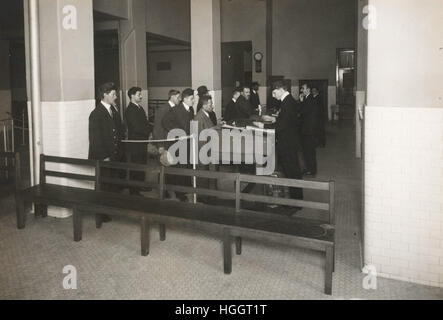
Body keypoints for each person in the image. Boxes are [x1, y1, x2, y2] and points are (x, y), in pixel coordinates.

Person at [88, 82, 124, 223]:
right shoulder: (96, 114)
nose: (115, 97)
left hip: (114, 155)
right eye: (113, 94)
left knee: (112, 184)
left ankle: (109, 209)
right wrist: (105, 157)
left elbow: (118, 131)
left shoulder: (113, 111)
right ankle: (101, 212)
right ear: (105, 95)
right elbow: (95, 140)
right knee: (103, 184)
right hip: (104, 157)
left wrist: (119, 153)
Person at [271, 81, 303, 210]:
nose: (273, 96)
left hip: (287, 143)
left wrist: (267, 127)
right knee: (291, 171)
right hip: (290, 142)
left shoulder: (287, 102)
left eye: (274, 92)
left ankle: (296, 204)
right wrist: (276, 120)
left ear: (280, 89)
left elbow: (283, 125)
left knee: (292, 172)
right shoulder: (288, 101)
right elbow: (286, 120)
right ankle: (296, 201)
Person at [162, 88, 196, 202]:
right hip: (177, 144)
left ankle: (183, 190)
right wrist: (177, 134)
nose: (194, 100)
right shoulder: (176, 109)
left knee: (184, 167)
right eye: (192, 98)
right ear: (185, 99)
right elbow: (165, 122)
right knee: (178, 169)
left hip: (186, 144)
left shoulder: (190, 111)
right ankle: (179, 194)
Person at [125, 87, 150, 196]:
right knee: (136, 166)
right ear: (132, 96)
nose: (141, 96)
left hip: (142, 142)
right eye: (139, 94)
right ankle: (134, 190)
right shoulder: (130, 109)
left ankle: (140, 185)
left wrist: (150, 130)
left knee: (142, 164)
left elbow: (145, 123)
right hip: (135, 143)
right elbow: (137, 128)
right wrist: (148, 131)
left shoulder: (139, 107)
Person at [300, 83, 320, 176]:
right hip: (307, 130)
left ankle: (311, 170)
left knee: (309, 151)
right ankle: (309, 168)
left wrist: (300, 101)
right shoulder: (308, 98)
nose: (302, 90)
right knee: (307, 151)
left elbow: (303, 112)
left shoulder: (310, 99)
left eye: (303, 88)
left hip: (309, 130)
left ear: (308, 89)